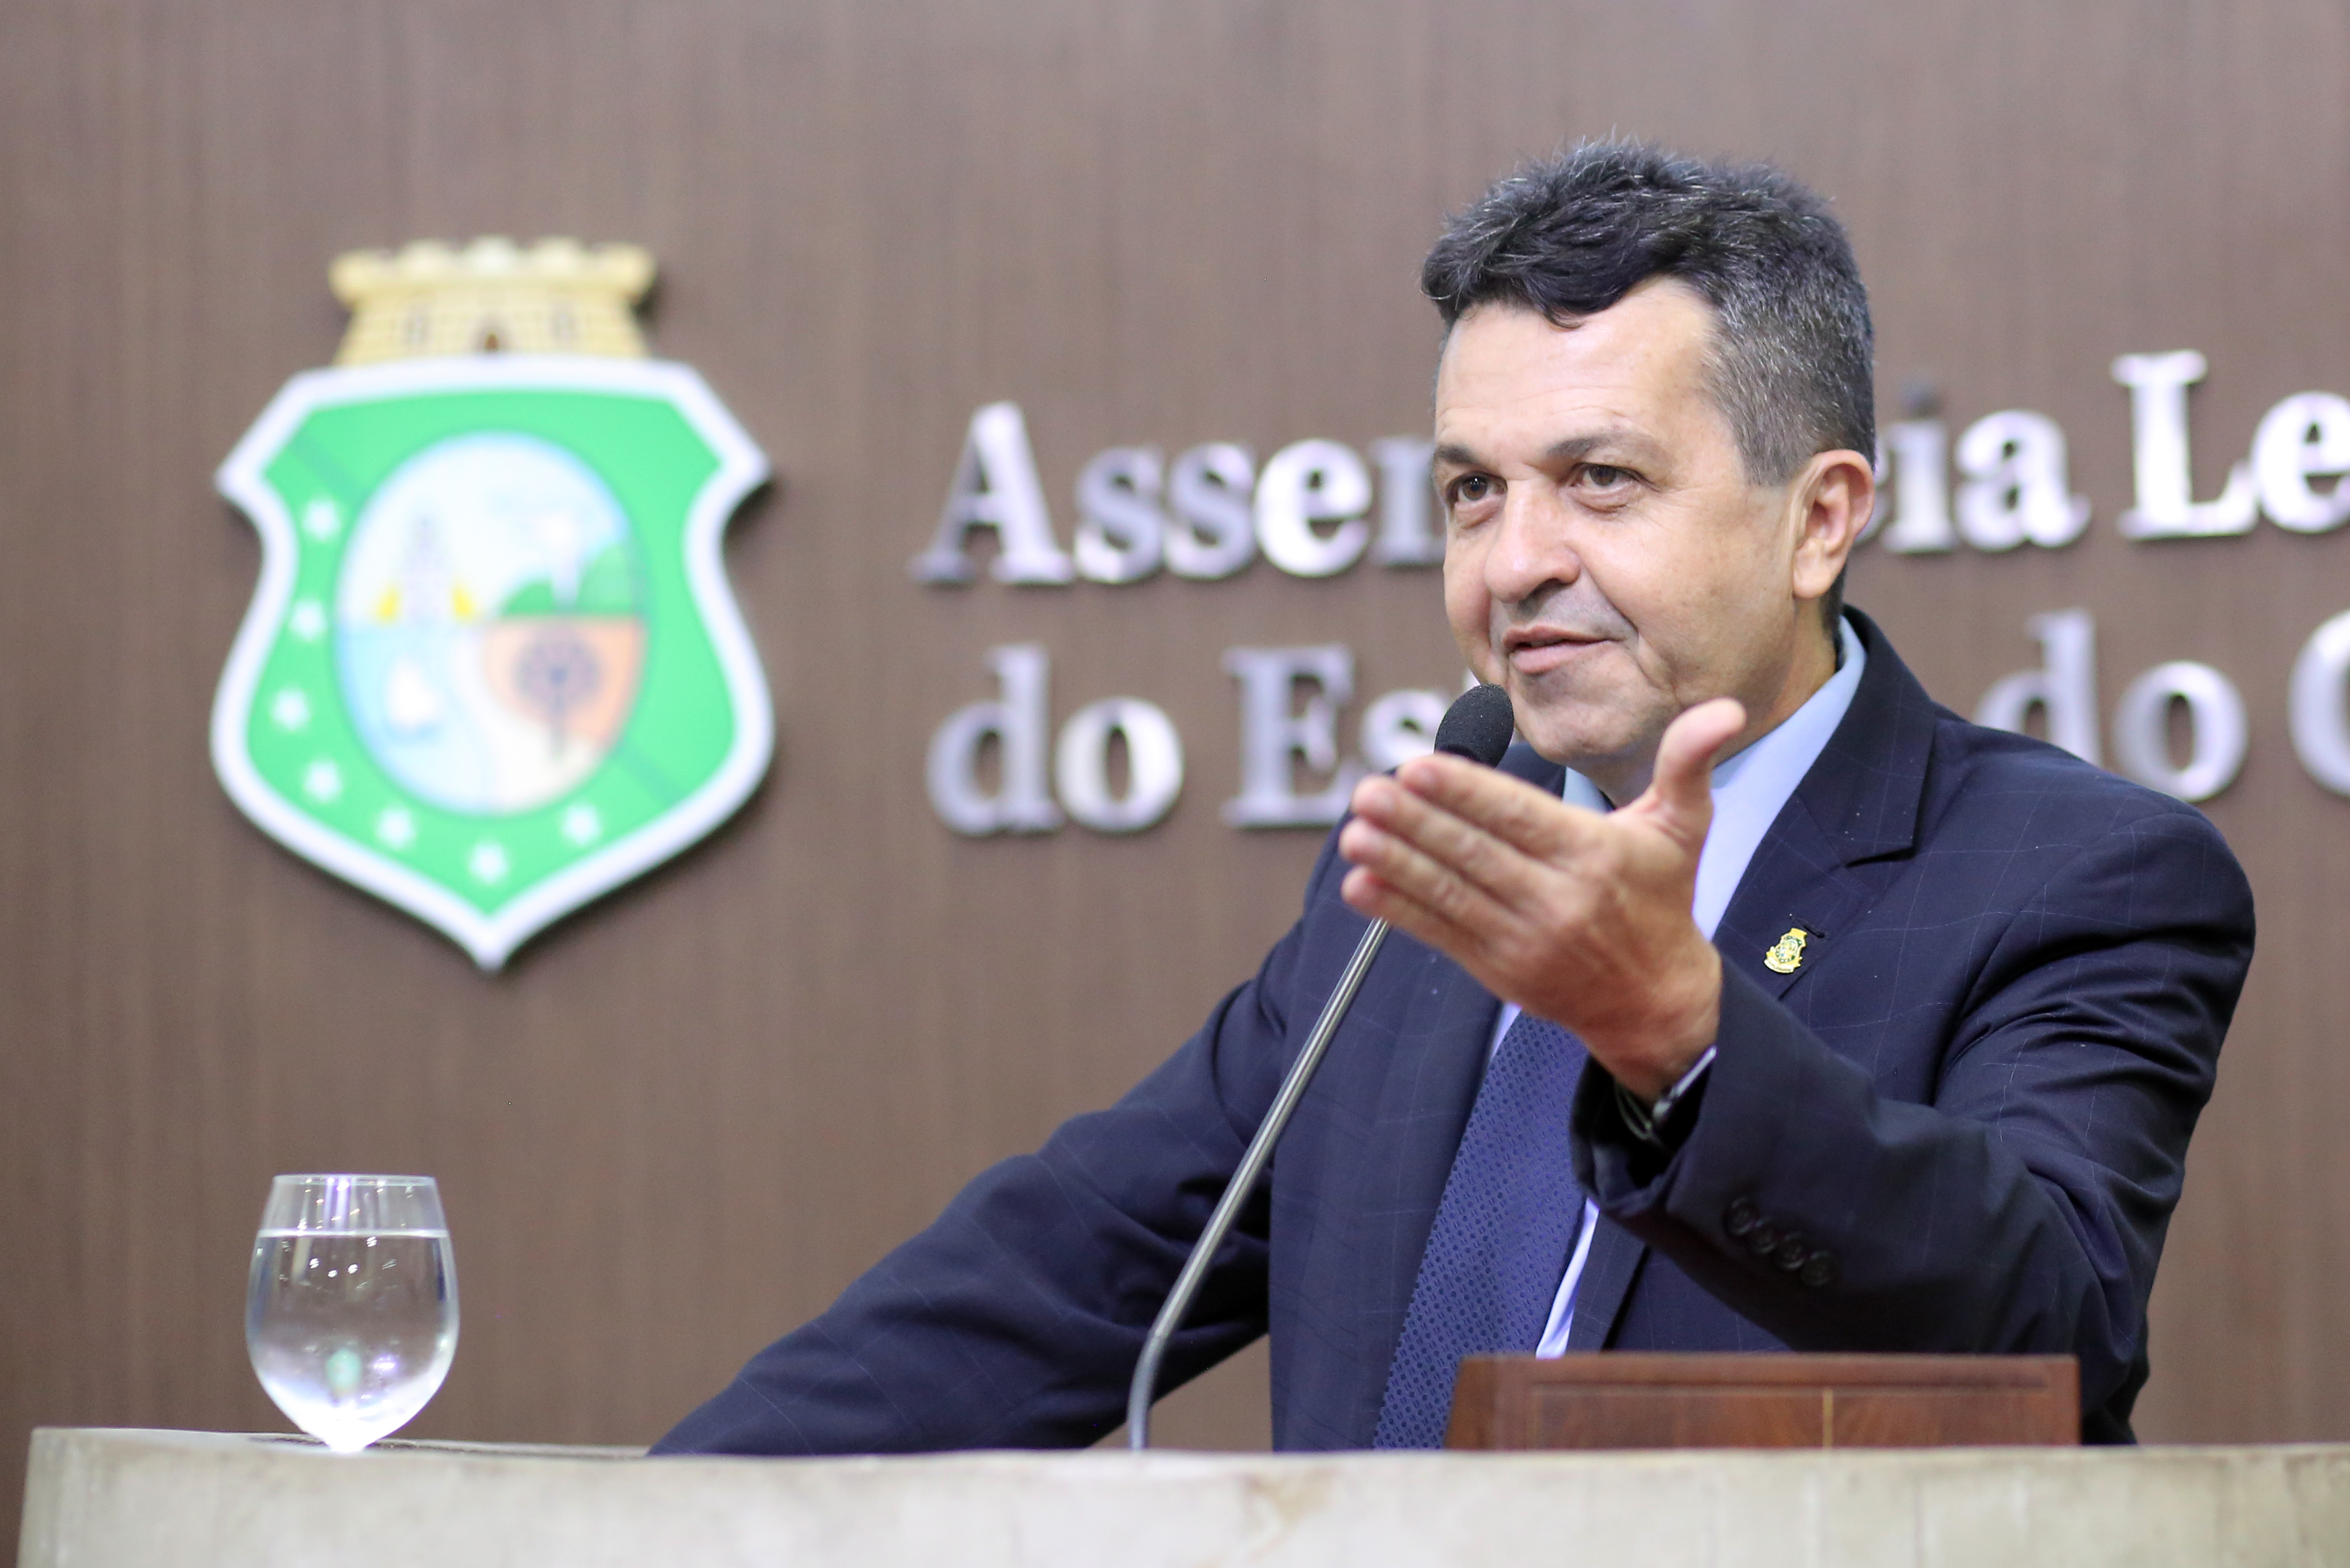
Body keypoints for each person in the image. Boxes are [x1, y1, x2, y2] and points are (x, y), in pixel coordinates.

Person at [656, 143, 2254, 1453]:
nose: (1516, 563)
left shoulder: (2079, 875)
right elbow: (1060, 1279)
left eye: (1601, 481)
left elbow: (2051, 1333)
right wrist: (648, 1523)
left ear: (1819, 520)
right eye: (1473, 492)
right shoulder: (1423, 877)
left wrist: (1682, 1040)